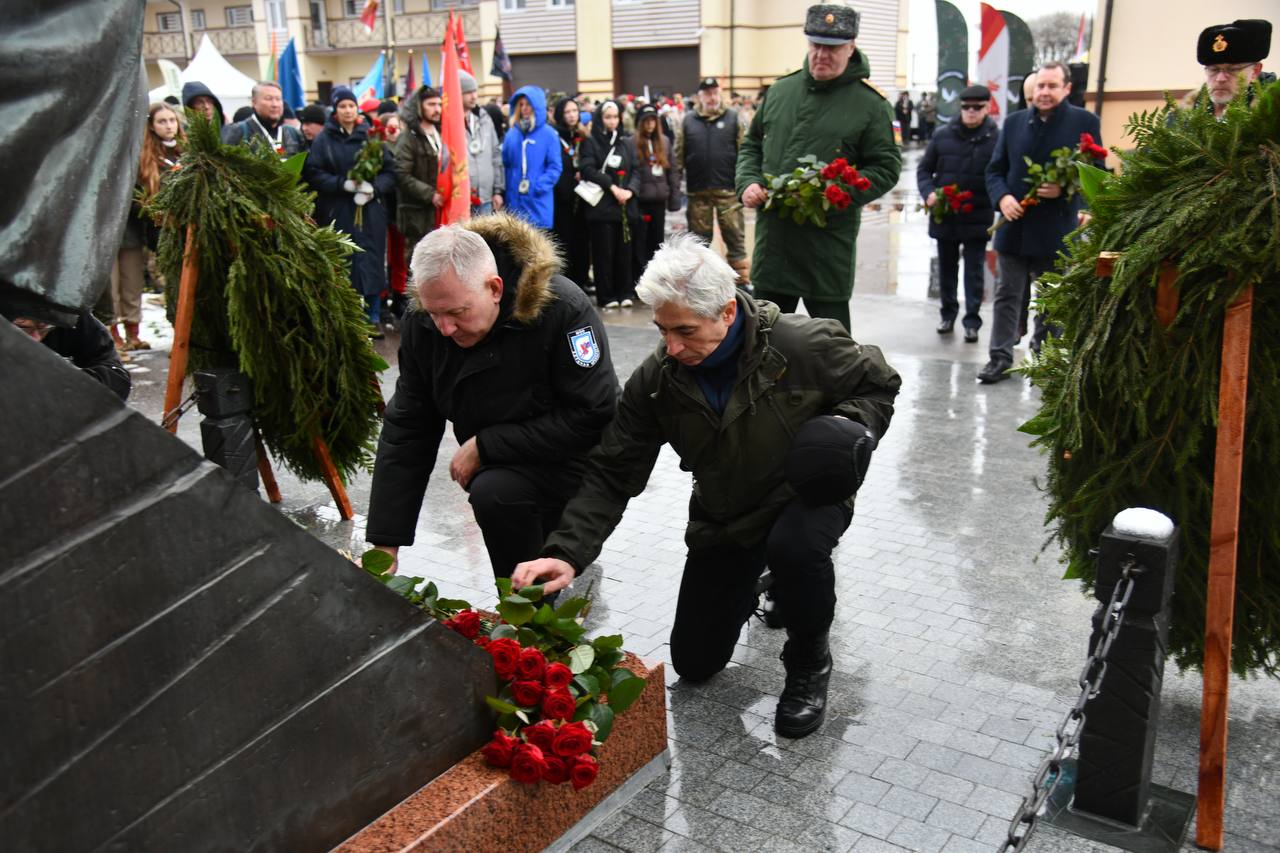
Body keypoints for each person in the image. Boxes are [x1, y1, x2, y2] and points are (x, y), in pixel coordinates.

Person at [511, 232, 901, 738]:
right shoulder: (657, 380)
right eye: (662, 329)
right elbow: (612, 470)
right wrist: (565, 552)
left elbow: (879, 383)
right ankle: (761, 578)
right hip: (727, 511)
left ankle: (809, 659)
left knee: (797, 550)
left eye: (685, 331)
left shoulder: (804, 345)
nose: (671, 346)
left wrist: (846, 432)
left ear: (726, 313)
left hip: (804, 491)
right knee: (695, 662)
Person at [365, 217, 619, 581]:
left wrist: (486, 445)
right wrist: (384, 544)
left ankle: (530, 615)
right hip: (505, 470)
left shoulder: (562, 308)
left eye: (456, 313)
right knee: (495, 495)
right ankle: (522, 617)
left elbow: (593, 413)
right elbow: (409, 426)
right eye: (434, 313)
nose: (445, 329)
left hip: (574, 461)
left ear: (495, 288)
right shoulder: (427, 321)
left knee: (520, 519)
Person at [737, 4, 901, 331]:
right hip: (775, 245)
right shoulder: (781, 91)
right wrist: (748, 182)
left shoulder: (871, 105)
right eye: (816, 45)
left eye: (833, 48)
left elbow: (885, 167)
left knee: (832, 348)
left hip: (825, 248)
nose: (821, 55)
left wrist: (832, 194)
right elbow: (751, 145)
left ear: (851, 47)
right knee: (759, 340)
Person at [980, 61, 1102, 383]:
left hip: (1056, 229)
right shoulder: (1015, 122)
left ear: (1066, 88)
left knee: (1051, 296)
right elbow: (994, 170)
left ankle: (1044, 358)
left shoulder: (1084, 122)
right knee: (1007, 294)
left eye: (1051, 86)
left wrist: (1067, 188)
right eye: (1040, 86)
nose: (1044, 92)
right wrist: (1003, 198)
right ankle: (1000, 358)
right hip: (1014, 227)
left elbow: (1098, 173)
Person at [303, 86, 396, 333]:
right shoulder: (325, 139)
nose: (347, 110)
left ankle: (373, 315)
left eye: (351, 106)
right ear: (335, 109)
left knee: (373, 258)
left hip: (369, 210)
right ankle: (350, 315)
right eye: (342, 106)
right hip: (339, 208)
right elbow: (313, 172)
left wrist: (373, 189)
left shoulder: (372, 136)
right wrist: (341, 184)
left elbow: (390, 171)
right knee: (346, 259)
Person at [917, 85, 997, 342]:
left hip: (977, 215)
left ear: (987, 108)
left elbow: (1001, 174)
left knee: (974, 271)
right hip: (946, 215)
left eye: (977, 108)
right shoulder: (942, 135)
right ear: (960, 108)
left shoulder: (996, 138)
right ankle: (948, 314)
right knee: (947, 270)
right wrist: (929, 193)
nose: (971, 112)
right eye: (966, 107)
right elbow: (924, 170)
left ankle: (972, 320)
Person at [111, 102, 184, 353]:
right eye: (162, 121)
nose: (168, 126)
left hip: (186, 230)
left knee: (134, 282)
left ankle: (136, 333)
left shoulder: (186, 152)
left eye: (171, 120)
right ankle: (116, 335)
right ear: (151, 126)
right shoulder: (143, 156)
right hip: (156, 231)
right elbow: (137, 198)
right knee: (120, 284)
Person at [677, 77, 750, 284]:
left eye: (715, 93)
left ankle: (742, 283)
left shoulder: (733, 118)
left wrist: (743, 183)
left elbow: (744, 152)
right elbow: (679, 154)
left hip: (728, 190)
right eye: (707, 93)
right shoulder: (688, 120)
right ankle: (700, 283)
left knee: (735, 238)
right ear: (699, 97)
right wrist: (675, 186)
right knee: (699, 243)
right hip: (698, 191)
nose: (712, 97)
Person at [579, 100, 641, 310]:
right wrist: (612, 187)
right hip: (602, 207)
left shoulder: (625, 143)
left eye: (615, 117)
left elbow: (635, 170)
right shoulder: (591, 142)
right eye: (608, 117)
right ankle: (607, 295)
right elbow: (588, 169)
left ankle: (625, 291)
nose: (612, 121)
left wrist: (630, 190)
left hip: (624, 206)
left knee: (624, 252)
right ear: (600, 119)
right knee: (604, 253)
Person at [10, 311, 131, 401]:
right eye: (23, 328)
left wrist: (63, 379)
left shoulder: (72, 318)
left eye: (43, 327)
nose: (36, 338)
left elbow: (117, 377)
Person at [395, 86, 444, 286]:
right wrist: (429, 194)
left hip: (442, 211)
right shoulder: (408, 138)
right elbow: (401, 174)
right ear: (419, 106)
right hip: (417, 215)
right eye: (431, 104)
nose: (437, 109)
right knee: (419, 269)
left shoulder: (442, 131)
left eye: (439, 104)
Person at [501, 86, 562, 230]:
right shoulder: (512, 134)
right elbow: (506, 164)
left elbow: (555, 167)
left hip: (537, 201)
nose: (524, 108)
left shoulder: (549, 134)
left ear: (537, 106)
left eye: (528, 104)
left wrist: (538, 186)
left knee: (537, 249)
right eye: (521, 104)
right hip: (514, 201)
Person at [633, 104, 681, 281]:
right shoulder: (633, 142)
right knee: (640, 239)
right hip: (640, 199)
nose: (650, 124)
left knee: (657, 240)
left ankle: (656, 277)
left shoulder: (665, 142)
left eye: (653, 120)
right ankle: (640, 275)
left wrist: (674, 198)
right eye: (647, 120)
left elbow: (673, 171)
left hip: (659, 198)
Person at [551, 97, 592, 293]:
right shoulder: (554, 136)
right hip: (563, 197)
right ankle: (567, 282)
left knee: (582, 240)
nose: (571, 115)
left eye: (574, 111)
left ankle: (582, 278)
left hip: (583, 196)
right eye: (567, 112)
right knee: (565, 239)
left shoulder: (583, 136)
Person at [1196, 19, 1272, 119]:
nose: (1220, 79)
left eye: (1232, 69)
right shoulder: (1184, 115)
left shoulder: (1272, 118)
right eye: (1214, 69)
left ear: (1255, 71)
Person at [459, 70, 505, 216]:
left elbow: (495, 155)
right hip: (461, 200)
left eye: (475, 91)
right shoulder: (447, 124)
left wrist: (497, 191)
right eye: (468, 92)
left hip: (485, 198)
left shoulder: (484, 119)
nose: (474, 96)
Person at [220, 81, 305, 157]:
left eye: (278, 99)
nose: (275, 104)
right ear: (254, 102)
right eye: (268, 99)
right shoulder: (238, 131)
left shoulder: (293, 133)